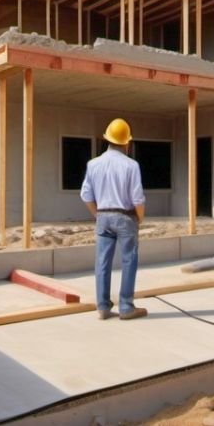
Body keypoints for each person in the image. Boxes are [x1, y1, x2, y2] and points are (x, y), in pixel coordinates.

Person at [80, 118, 147, 320]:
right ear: (127, 142)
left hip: (103, 216)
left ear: (107, 139)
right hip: (125, 217)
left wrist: (98, 214)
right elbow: (137, 198)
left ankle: (102, 307)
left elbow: (85, 195)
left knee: (102, 262)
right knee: (129, 260)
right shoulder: (131, 165)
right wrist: (140, 219)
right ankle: (126, 306)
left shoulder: (93, 164)